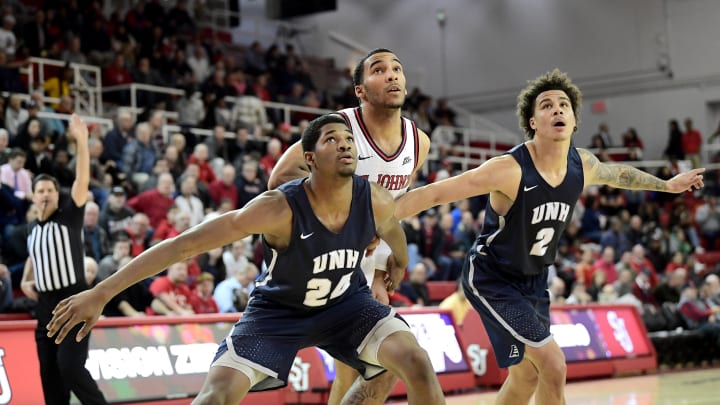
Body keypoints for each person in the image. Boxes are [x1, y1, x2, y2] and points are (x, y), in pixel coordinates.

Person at [46, 114, 445, 405]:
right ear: (309, 157)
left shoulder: (373, 197)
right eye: (331, 139)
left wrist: (402, 259)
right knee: (215, 396)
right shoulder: (277, 208)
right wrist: (102, 292)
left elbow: (392, 226)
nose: (344, 144)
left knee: (414, 361)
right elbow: (182, 246)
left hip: (346, 304)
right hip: (277, 313)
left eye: (348, 139)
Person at [394, 69, 705, 405]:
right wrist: (373, 220)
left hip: (533, 280)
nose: (557, 109)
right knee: (553, 364)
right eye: (546, 105)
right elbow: (436, 194)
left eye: (563, 105)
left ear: (573, 121)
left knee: (526, 376)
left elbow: (620, 174)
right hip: (492, 277)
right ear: (532, 121)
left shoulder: (582, 164)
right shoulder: (509, 168)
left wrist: (667, 185)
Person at [268, 47, 431, 405]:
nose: (392, 75)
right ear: (360, 89)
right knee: (372, 365)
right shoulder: (338, 130)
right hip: (322, 255)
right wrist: (345, 220)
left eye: (397, 68)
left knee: (363, 368)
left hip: (369, 262)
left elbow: (394, 206)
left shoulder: (419, 142)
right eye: (379, 69)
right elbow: (280, 177)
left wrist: (380, 261)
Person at [21, 114, 108, 405]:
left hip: (73, 300)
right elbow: (36, 253)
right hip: (44, 306)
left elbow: (82, 179)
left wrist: (81, 142)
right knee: (49, 375)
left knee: (70, 367)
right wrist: (24, 278)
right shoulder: (32, 229)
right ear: (33, 198)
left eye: (50, 190)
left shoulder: (69, 216)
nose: (45, 194)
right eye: (40, 191)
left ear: (57, 196)